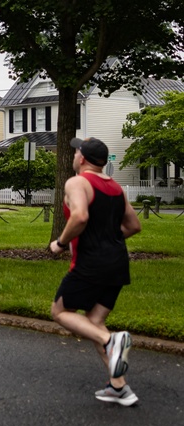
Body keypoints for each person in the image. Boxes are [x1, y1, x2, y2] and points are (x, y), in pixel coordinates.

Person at [49, 137, 142, 406]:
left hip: (90, 264)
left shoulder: (78, 182)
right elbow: (134, 225)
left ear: (83, 158)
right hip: (117, 263)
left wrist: (60, 243)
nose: (74, 154)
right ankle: (119, 387)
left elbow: (79, 217)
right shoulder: (114, 187)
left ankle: (111, 342)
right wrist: (108, 240)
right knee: (94, 321)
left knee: (60, 312)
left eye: (77, 151)